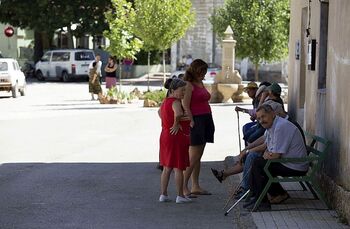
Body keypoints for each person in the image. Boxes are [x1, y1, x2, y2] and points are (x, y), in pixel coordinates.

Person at [244, 104, 309, 211]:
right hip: (288, 162)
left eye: (263, 117)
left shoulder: (280, 126)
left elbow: (275, 155)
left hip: (296, 165)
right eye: (259, 118)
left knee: (259, 164)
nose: (261, 121)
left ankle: (262, 201)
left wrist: (268, 154)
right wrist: (266, 153)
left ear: (272, 114)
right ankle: (261, 197)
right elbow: (268, 148)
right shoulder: (272, 125)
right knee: (259, 163)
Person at [183, 59, 215, 196]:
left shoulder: (199, 83)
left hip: (206, 118)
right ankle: (183, 187)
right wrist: (191, 121)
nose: (204, 75)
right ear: (196, 71)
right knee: (194, 156)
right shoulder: (188, 85)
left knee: (198, 156)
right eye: (202, 72)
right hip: (196, 120)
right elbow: (185, 104)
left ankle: (195, 185)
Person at [158, 77, 192, 204]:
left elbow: (159, 112)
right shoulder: (175, 102)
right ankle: (180, 195)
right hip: (176, 136)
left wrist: (167, 122)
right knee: (178, 167)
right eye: (182, 90)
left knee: (167, 167)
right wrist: (176, 122)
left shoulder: (165, 101)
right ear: (173, 90)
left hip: (166, 134)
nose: (184, 93)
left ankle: (163, 194)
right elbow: (178, 114)